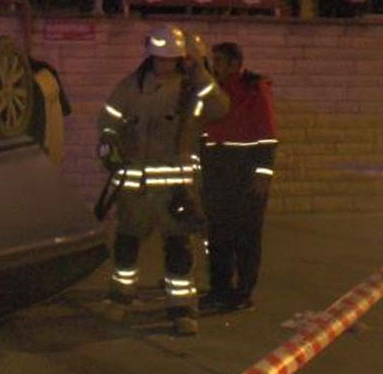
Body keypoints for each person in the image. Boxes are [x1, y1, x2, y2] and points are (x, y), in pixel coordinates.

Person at [96, 24, 229, 336]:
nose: (164, 65)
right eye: (159, 59)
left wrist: (201, 75)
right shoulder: (131, 86)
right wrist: (107, 142)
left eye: (170, 59)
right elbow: (109, 119)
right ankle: (120, 299)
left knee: (178, 249)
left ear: (182, 59)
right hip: (136, 187)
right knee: (126, 245)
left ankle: (182, 310)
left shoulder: (191, 90)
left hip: (175, 189)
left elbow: (219, 108)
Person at [199, 42, 278, 312]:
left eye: (219, 61)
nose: (215, 65)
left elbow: (267, 134)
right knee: (218, 234)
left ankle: (243, 292)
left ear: (235, 63)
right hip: (217, 170)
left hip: (245, 172)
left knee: (246, 236)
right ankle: (219, 290)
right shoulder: (213, 90)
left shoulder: (255, 89)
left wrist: (262, 173)